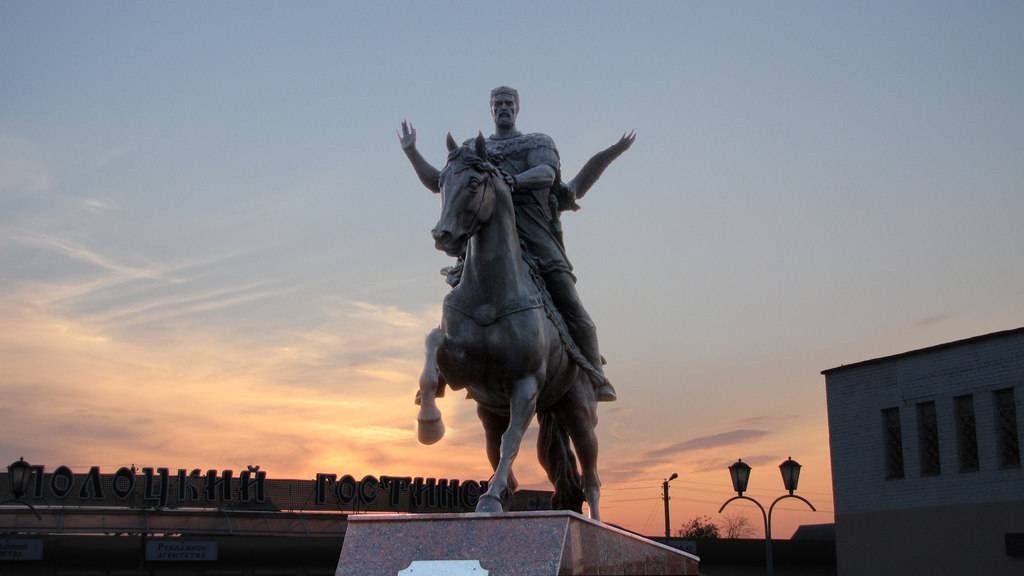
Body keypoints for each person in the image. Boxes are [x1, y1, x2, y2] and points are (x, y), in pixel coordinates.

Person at [399, 86, 634, 402]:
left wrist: (513, 181)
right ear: (491, 109)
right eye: (498, 103)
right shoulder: (473, 149)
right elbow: (442, 181)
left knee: (569, 301)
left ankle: (595, 375)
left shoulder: (537, 143)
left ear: (518, 108)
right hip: (485, 244)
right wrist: (412, 152)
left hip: (535, 240)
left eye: (509, 103)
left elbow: (546, 173)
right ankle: (442, 370)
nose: (503, 107)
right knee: (457, 299)